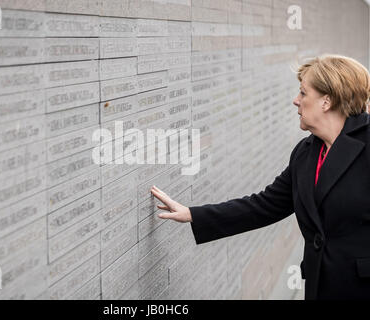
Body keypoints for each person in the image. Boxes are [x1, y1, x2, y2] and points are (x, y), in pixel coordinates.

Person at [150, 54, 370, 300]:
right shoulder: (306, 153)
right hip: (322, 287)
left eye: (303, 93)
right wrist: (192, 213)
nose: (295, 101)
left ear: (326, 101)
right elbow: (265, 205)